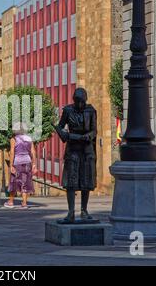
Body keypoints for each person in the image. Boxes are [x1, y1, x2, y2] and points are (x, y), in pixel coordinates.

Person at [56, 88, 97, 223]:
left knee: (86, 180)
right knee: (71, 182)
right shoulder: (68, 111)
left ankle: (84, 211)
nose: (80, 105)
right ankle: (71, 212)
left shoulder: (91, 111)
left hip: (86, 148)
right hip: (73, 148)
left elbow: (94, 130)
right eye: (77, 102)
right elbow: (60, 126)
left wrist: (88, 136)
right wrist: (65, 134)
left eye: (82, 102)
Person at [4, 123, 37, 209]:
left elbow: (12, 152)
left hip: (17, 162)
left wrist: (11, 165)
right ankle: (24, 203)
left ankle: (11, 202)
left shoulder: (14, 139)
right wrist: (34, 164)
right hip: (27, 162)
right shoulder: (29, 139)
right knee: (25, 181)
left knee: (13, 181)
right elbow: (33, 151)